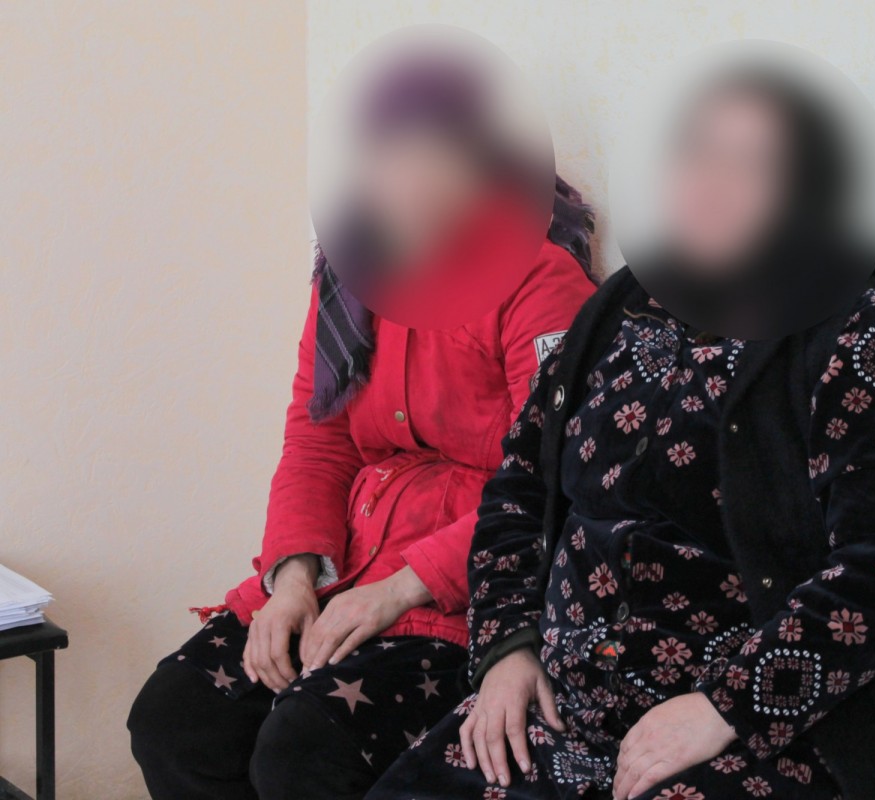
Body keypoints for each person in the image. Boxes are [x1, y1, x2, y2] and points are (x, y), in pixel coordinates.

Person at [368, 69, 875, 799]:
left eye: (750, 164)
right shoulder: (624, 305)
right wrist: (507, 650)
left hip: (769, 733)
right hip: (566, 710)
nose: (711, 183)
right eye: (697, 154)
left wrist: (726, 708)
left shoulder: (868, 335)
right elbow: (520, 485)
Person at [126, 54, 597, 800]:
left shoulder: (539, 280)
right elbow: (317, 439)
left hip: (463, 592)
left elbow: (549, 478)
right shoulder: (352, 276)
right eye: (386, 152)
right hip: (345, 566)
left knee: (303, 749)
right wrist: (292, 579)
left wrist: (402, 590)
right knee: (174, 721)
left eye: (435, 152)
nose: (408, 178)